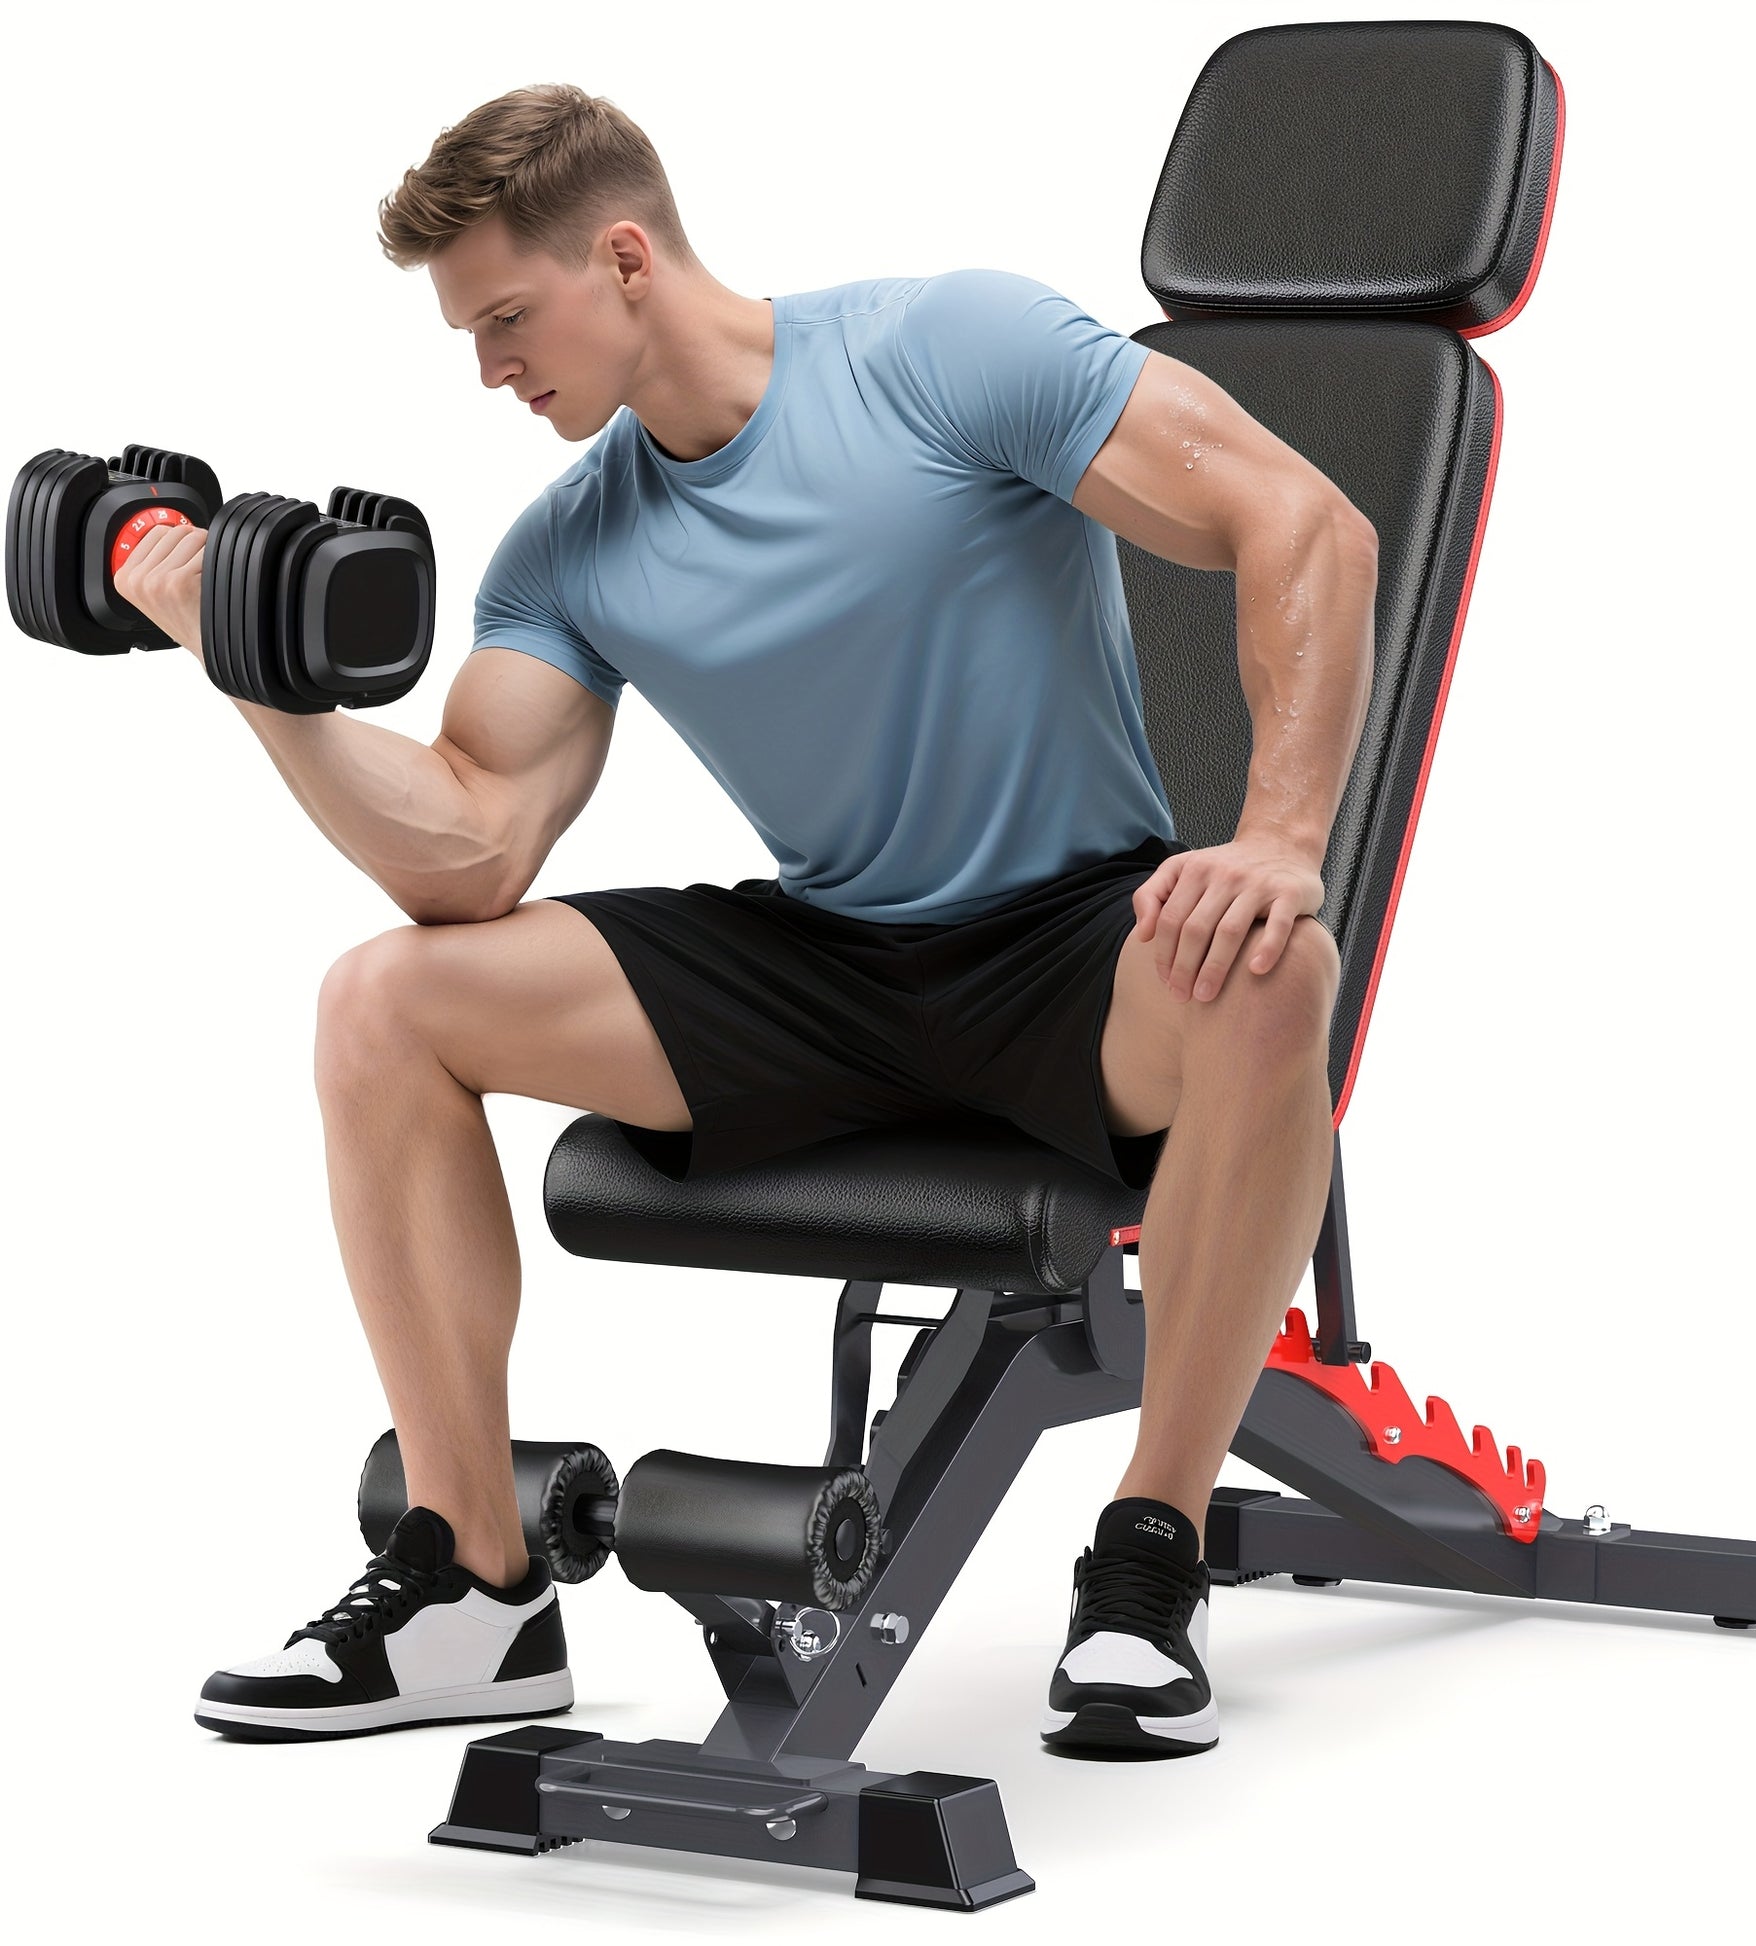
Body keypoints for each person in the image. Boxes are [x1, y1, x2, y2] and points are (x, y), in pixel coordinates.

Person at [112, 84, 1376, 1756]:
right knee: (383, 1001)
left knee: (1275, 968)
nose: (489, 367)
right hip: (830, 961)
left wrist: (1280, 835)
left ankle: (1146, 1550)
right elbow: (471, 849)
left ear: (622, 257)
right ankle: (475, 1580)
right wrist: (255, 675)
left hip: (1065, 945)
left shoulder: (945, 351)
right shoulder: (571, 543)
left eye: (505, 315)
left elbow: (1301, 521)